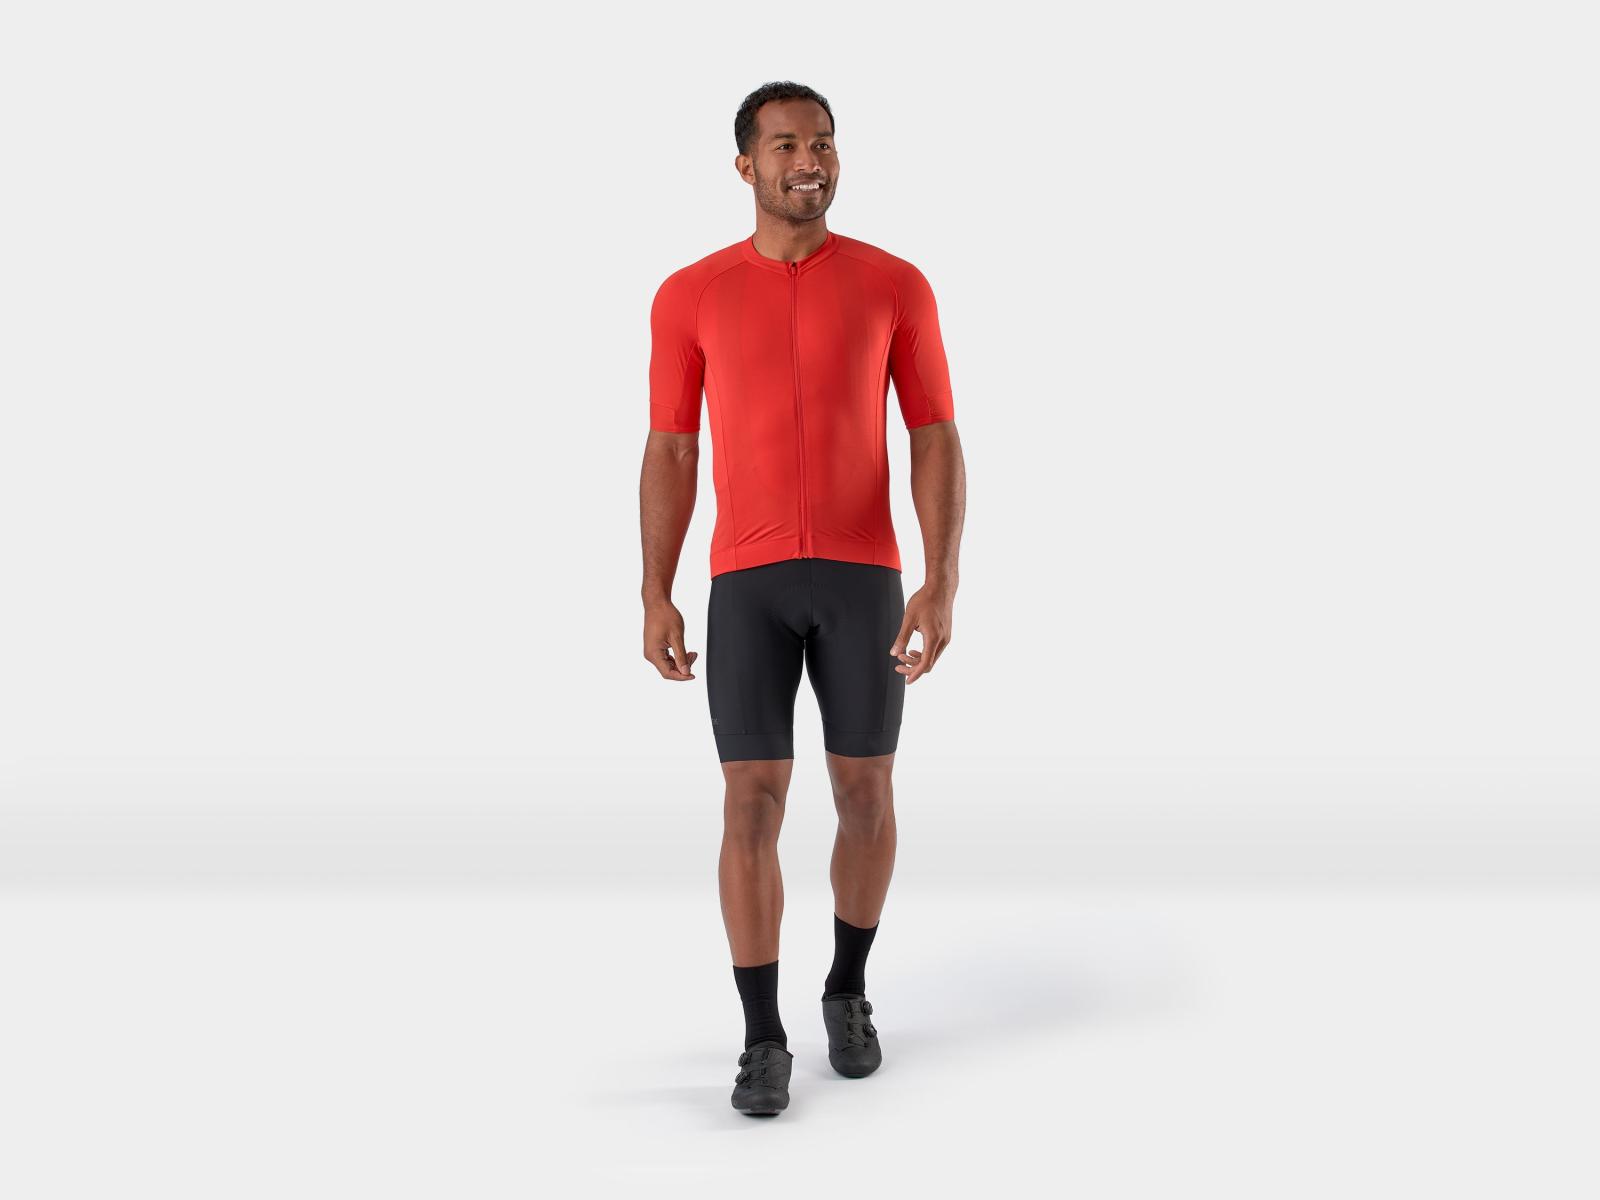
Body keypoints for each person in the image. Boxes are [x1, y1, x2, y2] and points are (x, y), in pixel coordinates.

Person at [638, 80, 967, 1117]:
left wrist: (941, 579)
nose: (808, 160)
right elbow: (672, 447)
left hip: (864, 576)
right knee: (750, 803)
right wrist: (655, 591)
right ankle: (761, 1038)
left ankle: (847, 990)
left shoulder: (894, 284)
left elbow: (933, 434)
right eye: (784, 145)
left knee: (867, 795)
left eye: (821, 142)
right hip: (747, 581)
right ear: (746, 165)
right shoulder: (689, 294)